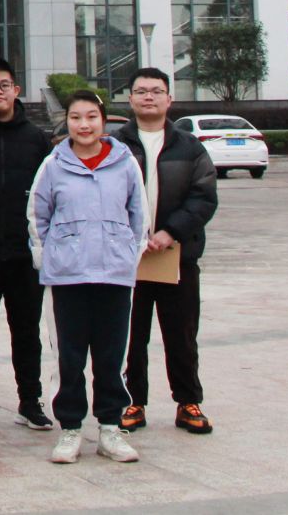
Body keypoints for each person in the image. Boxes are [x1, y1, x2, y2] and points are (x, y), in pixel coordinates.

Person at [31, 89, 146, 465]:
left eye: (92, 117)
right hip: (67, 276)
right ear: (67, 122)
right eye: (76, 117)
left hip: (114, 274)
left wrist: (127, 256)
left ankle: (110, 427)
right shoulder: (53, 165)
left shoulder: (125, 163)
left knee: (111, 356)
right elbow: (38, 216)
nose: (84, 124)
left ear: (103, 120)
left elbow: (139, 216)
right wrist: (49, 257)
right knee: (70, 357)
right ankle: (70, 428)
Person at [113, 66, 220, 437]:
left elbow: (204, 197)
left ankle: (188, 402)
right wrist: (130, 236)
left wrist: (170, 231)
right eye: (141, 91)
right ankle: (133, 401)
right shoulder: (116, 146)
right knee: (130, 335)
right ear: (130, 99)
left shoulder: (190, 147)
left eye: (156, 91)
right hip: (129, 258)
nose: (149, 97)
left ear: (169, 99)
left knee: (182, 334)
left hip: (177, 256)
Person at [0, 57, 53, 431]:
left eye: (4, 85)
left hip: (25, 254)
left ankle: (30, 400)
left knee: (27, 331)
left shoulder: (36, 139)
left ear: (16, 90)